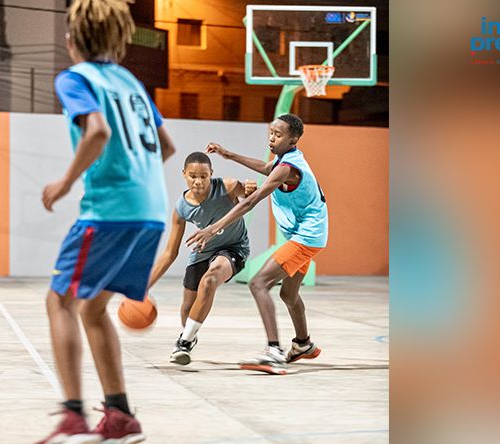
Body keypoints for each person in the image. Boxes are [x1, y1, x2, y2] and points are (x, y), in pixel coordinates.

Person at [38, 0, 176, 442]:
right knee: (92, 305)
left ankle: (72, 411)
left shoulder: (75, 78)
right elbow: (166, 146)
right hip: (152, 211)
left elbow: (97, 131)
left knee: (59, 299)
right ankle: (119, 413)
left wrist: (64, 183)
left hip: (112, 211)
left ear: (73, 40)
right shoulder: (131, 82)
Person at [186, 114, 327, 375]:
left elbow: (251, 201)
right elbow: (266, 167)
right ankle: (303, 344)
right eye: (270, 132)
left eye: (278, 134)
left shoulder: (287, 168)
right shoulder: (287, 160)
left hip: (305, 237)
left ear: (293, 139)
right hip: (310, 235)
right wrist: (229, 155)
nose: (271, 138)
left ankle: (273, 351)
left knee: (258, 282)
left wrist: (214, 227)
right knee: (288, 294)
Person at [146, 152, 256, 365]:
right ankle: (189, 335)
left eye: (203, 176)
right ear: (184, 174)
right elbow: (170, 253)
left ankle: (184, 342)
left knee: (210, 280)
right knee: (187, 306)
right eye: (193, 176)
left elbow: (248, 199)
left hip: (234, 248)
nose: (198, 181)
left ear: (211, 174)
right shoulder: (181, 209)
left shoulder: (228, 186)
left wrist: (250, 189)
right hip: (203, 251)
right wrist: (144, 287)